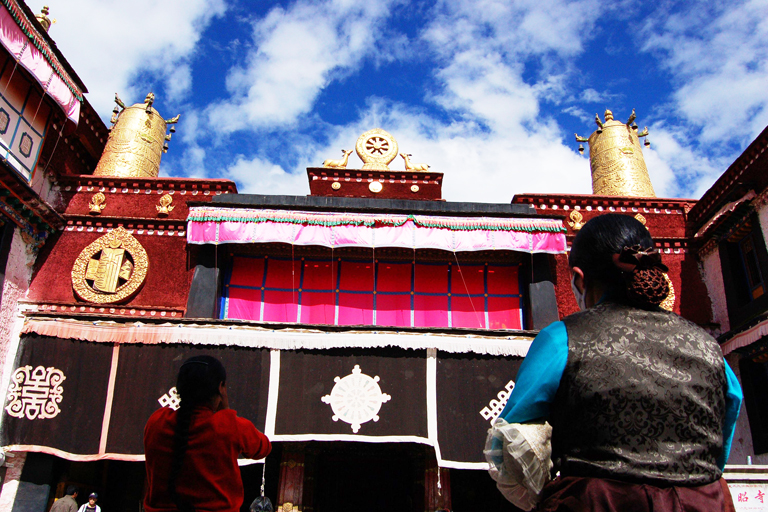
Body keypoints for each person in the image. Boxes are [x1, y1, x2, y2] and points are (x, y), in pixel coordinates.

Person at [494, 214, 743, 511]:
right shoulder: (706, 344)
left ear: (578, 278)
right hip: (703, 501)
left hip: (597, 500)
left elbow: (512, 434)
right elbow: (728, 416)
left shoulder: (563, 337)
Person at [144, 355, 271, 512]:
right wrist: (226, 411)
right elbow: (263, 448)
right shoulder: (229, 426)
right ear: (221, 388)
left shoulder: (157, 422)